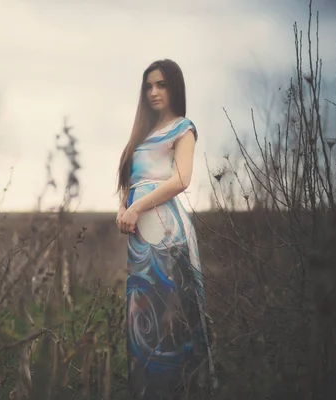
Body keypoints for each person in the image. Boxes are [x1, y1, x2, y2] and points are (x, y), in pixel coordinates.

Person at [115, 59, 217, 399]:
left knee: (170, 311)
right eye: (149, 86)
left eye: (161, 84)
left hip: (166, 234)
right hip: (140, 238)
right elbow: (132, 181)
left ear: (174, 88)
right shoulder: (143, 134)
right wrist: (124, 207)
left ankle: (182, 390)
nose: (154, 92)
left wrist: (137, 207)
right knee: (142, 314)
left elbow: (181, 180)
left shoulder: (182, 128)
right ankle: (146, 390)